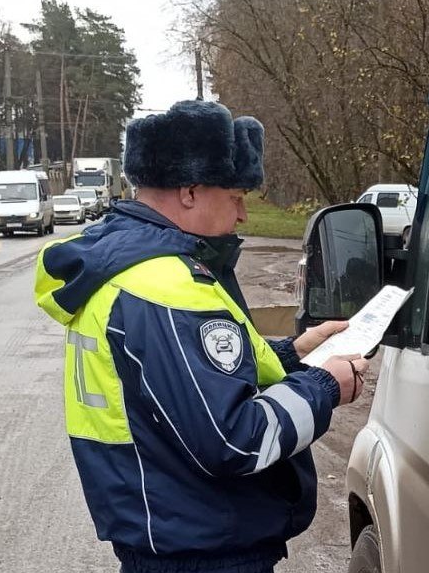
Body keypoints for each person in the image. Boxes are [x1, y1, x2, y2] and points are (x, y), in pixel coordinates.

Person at [34, 100, 369, 573]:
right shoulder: (164, 286)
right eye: (235, 197)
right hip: (200, 548)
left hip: (170, 531)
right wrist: (326, 384)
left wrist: (294, 354)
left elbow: (181, 381)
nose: (243, 216)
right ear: (190, 191)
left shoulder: (123, 267)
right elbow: (234, 440)